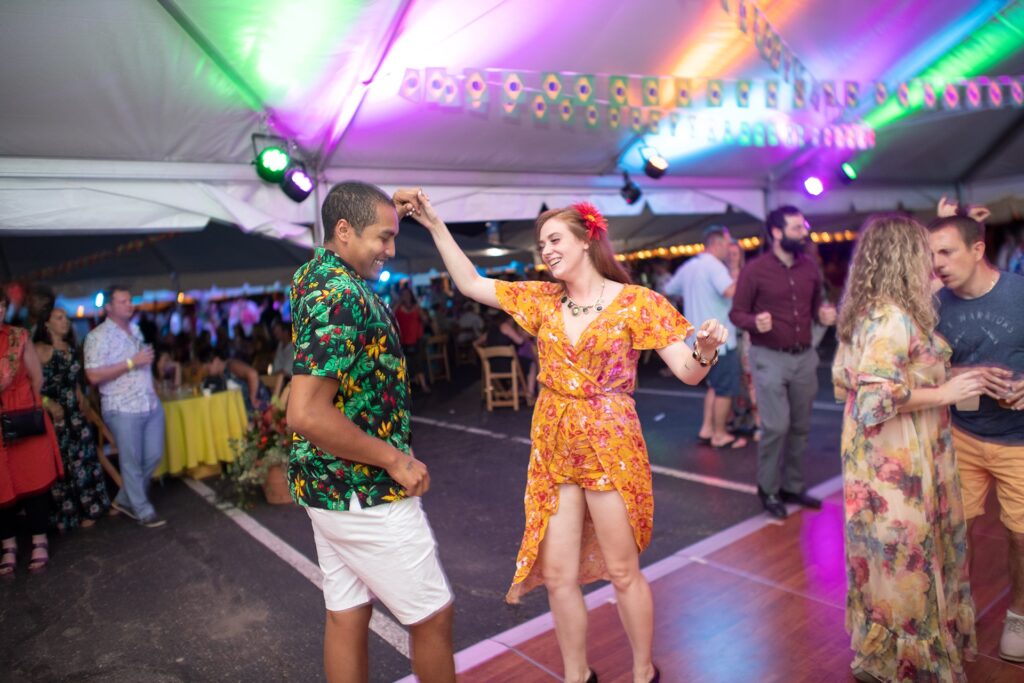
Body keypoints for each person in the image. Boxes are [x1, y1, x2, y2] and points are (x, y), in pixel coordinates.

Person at [404, 190, 728, 683]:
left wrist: (703, 350)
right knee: (558, 576)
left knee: (622, 572)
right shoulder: (541, 300)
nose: (546, 250)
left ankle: (644, 673)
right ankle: (578, 675)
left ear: (585, 240)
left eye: (555, 239)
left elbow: (687, 371)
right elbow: (470, 282)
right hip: (555, 446)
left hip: (610, 446)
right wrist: (433, 223)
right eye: (541, 243)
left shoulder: (637, 303)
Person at [286, 181, 454, 683]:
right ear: (343, 231)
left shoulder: (315, 274)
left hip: (327, 485)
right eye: (383, 237)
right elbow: (307, 414)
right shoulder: (340, 294)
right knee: (432, 616)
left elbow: (354, 212)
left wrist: (384, 210)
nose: (390, 250)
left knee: (347, 611)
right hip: (364, 490)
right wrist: (393, 459)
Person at [833, 214, 984, 682]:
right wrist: (945, 394)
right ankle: (907, 663)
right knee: (908, 561)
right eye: (925, 252)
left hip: (873, 461)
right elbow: (874, 399)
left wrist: (941, 378)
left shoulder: (868, 310)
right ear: (906, 257)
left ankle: (883, 658)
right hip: (898, 461)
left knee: (884, 560)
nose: (932, 262)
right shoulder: (892, 317)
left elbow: (847, 386)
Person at [929, 203, 1024, 663]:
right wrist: (959, 375)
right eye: (932, 257)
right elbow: (928, 366)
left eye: (946, 253)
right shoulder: (935, 305)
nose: (938, 265)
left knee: (1020, 534)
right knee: (954, 529)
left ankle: (1020, 616)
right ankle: (951, 614)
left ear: (978, 249)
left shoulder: (1018, 294)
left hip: (1018, 441)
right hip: (963, 433)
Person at [729, 206, 837, 519]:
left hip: (804, 357)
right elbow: (736, 314)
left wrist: (824, 315)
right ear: (776, 232)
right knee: (776, 426)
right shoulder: (755, 269)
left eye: (802, 227)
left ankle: (792, 486)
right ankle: (769, 490)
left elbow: (817, 307)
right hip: (768, 358)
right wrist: (753, 321)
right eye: (795, 228)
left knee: (801, 427)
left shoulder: (810, 268)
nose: (803, 233)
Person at [84, 285, 167, 529]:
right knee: (131, 461)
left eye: (130, 300)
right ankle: (142, 510)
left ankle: (123, 499)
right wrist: (132, 362)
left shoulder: (136, 330)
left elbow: (144, 366)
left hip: (149, 403)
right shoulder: (97, 337)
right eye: (123, 301)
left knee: (153, 455)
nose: (129, 305)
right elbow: (92, 375)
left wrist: (152, 383)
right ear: (109, 306)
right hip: (122, 407)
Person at [663, 226, 745, 448]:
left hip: (697, 341)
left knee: (714, 385)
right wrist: (746, 278)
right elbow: (730, 292)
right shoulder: (714, 266)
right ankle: (719, 435)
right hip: (720, 340)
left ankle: (707, 429)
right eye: (727, 244)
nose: (729, 250)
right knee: (725, 388)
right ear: (717, 244)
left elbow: (669, 289)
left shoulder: (690, 266)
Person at [0, 292, 62, 575]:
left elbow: (38, 378)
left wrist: (31, 406)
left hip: (23, 415)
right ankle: (8, 545)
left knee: (33, 480)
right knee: (2, 487)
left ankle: (39, 540)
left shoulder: (18, 337)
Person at [34, 305, 111, 531]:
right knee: (64, 464)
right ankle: (69, 514)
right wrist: (47, 402)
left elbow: (74, 380)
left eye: (65, 317)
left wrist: (81, 396)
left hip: (76, 412)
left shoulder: (70, 347)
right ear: (46, 324)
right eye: (58, 318)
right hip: (56, 415)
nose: (65, 321)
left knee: (86, 459)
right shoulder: (40, 350)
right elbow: (30, 386)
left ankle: (94, 508)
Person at [198, 348, 268, 415]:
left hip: (256, 410)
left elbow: (252, 374)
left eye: (207, 367)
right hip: (240, 411)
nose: (206, 370)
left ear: (216, 360)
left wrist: (253, 398)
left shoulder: (231, 365)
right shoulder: (219, 376)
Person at [394, 287, 432, 393]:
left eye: (407, 294)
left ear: (411, 295)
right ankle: (410, 385)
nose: (406, 296)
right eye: (403, 294)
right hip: (403, 340)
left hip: (416, 339)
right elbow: (390, 314)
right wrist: (398, 301)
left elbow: (425, 320)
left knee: (418, 362)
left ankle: (423, 385)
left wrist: (425, 319)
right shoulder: (398, 307)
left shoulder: (416, 307)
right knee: (406, 364)